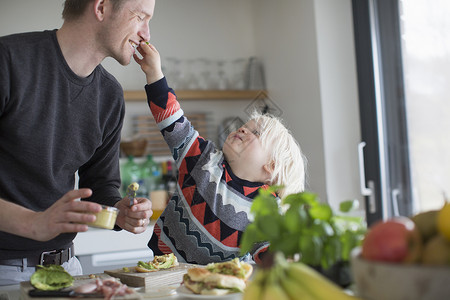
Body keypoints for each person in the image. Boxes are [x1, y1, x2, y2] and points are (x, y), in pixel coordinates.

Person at [0, 0, 155, 285]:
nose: (146, 33)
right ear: (101, 8)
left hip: (68, 269)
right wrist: (34, 223)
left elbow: (100, 186)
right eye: (139, 17)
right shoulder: (8, 61)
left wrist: (119, 211)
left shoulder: (109, 95)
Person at [133, 42, 306, 264]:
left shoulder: (267, 208)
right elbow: (172, 120)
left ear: (270, 167)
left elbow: (270, 255)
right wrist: (155, 73)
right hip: (164, 268)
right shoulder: (202, 158)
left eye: (256, 133)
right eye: (245, 125)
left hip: (220, 284)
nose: (243, 128)